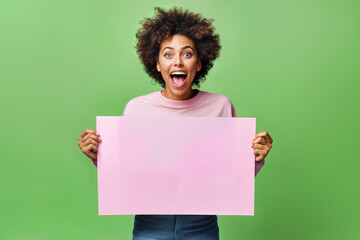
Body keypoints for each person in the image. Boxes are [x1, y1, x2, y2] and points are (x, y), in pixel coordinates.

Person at [78, 6, 273, 240]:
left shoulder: (220, 106)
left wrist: (256, 158)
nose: (178, 62)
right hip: (149, 225)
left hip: (201, 226)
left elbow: (230, 174)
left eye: (187, 54)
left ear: (199, 64)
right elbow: (128, 172)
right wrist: (98, 154)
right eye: (168, 54)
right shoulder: (136, 109)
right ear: (157, 63)